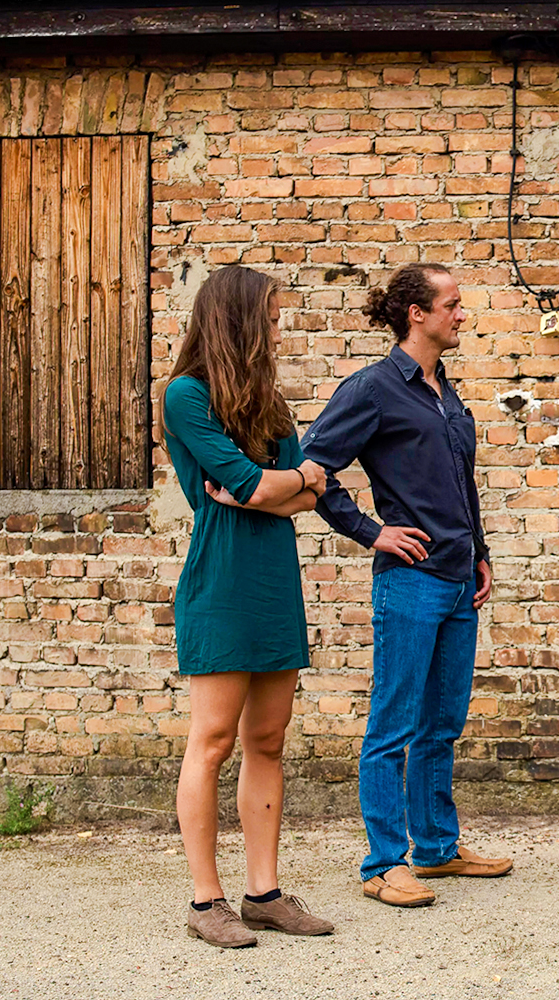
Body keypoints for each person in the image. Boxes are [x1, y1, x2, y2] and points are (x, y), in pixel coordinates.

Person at [302, 262, 512, 908]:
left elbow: (461, 488)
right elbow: (314, 468)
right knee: (393, 726)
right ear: (416, 313)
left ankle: (438, 850)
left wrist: (479, 553)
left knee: (441, 724)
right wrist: (372, 532)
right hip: (410, 583)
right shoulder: (372, 389)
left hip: (456, 580)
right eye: (451, 304)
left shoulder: (444, 392)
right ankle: (382, 862)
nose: (461, 315)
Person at [164, 265, 335, 947]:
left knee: (268, 739)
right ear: (237, 319)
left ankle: (263, 894)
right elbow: (246, 483)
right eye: (269, 315)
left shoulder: (270, 402)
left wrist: (287, 483)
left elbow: (301, 495)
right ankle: (206, 903)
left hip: (273, 582)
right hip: (223, 582)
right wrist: (292, 479)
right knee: (209, 742)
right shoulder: (184, 396)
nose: (277, 326)